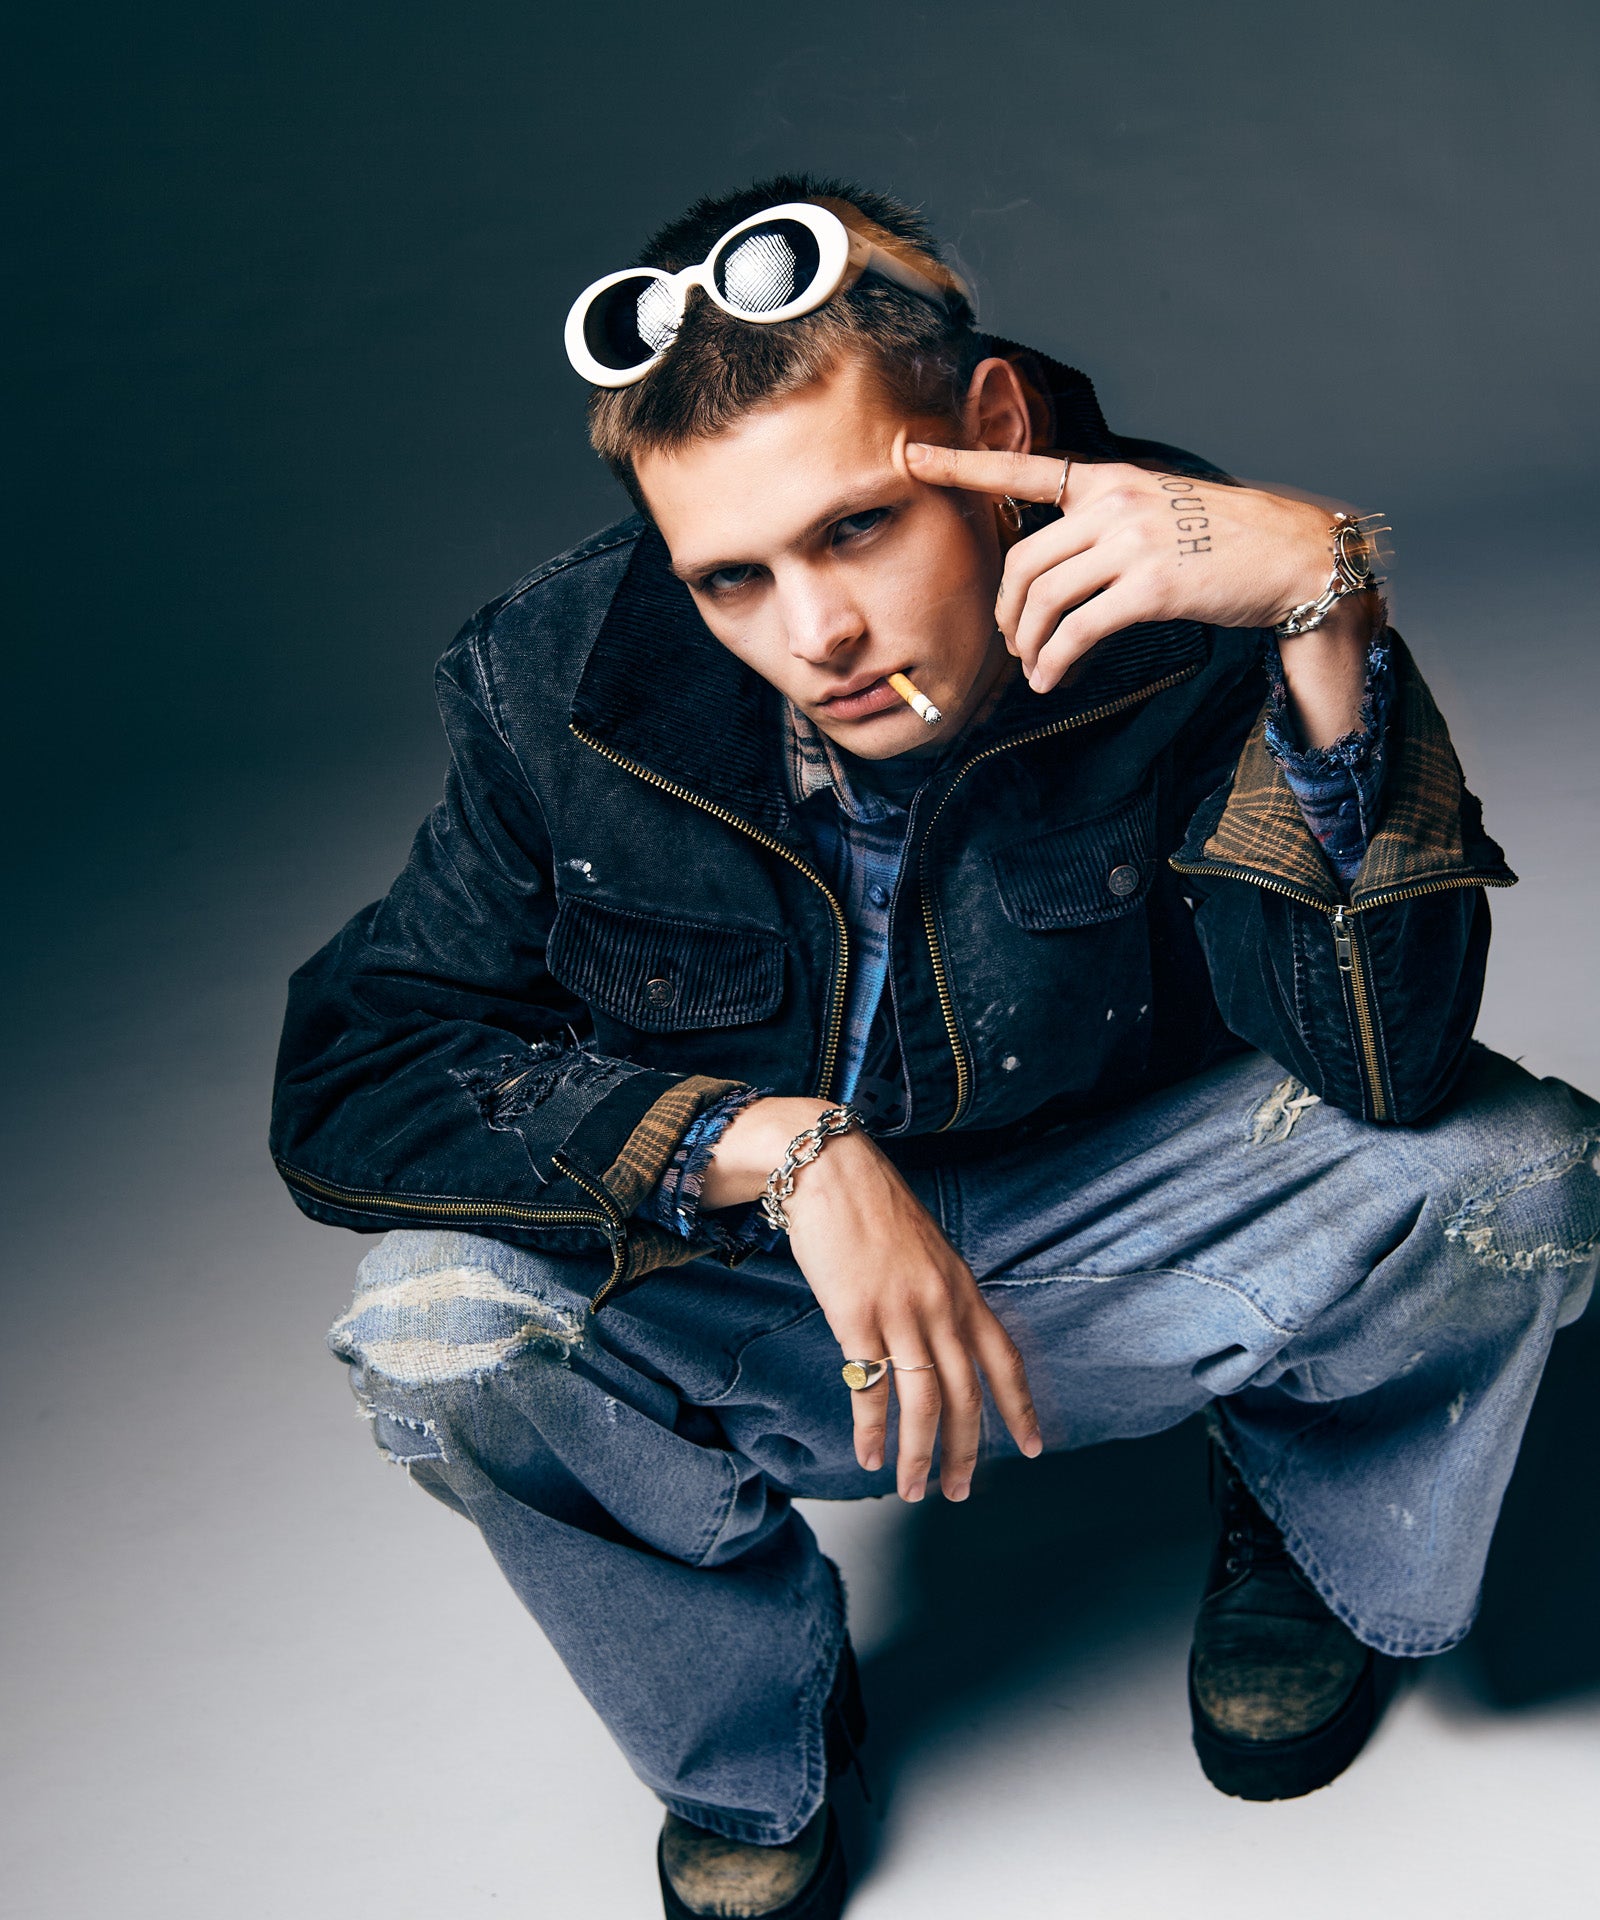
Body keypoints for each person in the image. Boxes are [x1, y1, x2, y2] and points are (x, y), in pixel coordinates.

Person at [270, 177, 1600, 1920]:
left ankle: (1306, 1521)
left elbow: (1390, 1070)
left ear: (994, 431)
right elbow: (359, 1070)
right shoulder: (552, 679)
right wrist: (766, 1148)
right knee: (435, 1326)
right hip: (779, 1289)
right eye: (730, 576)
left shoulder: (1182, 607)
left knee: (1522, 1179)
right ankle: (754, 1730)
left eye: (856, 532)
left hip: (1127, 1228)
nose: (812, 634)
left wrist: (1324, 609)